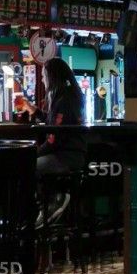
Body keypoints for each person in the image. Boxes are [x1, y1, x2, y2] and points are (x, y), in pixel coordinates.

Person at [22, 57, 87, 224]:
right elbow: (57, 124)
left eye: (44, 76)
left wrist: (34, 153)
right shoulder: (68, 96)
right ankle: (50, 203)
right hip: (74, 154)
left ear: (52, 77)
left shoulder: (63, 100)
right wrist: (35, 111)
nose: (42, 80)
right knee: (31, 164)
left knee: (28, 167)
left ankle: (51, 203)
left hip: (66, 157)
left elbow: (54, 139)